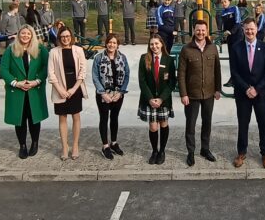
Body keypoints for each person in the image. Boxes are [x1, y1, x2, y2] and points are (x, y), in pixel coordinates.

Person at [229, 18, 265, 169]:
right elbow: (234, 72)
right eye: (247, 29)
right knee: (243, 124)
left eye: (252, 29)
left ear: (257, 30)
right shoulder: (236, 48)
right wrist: (246, 88)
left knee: (263, 124)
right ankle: (241, 153)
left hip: (261, 94)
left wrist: (256, 88)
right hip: (243, 94)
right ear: (243, 30)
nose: (249, 32)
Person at [0, 24, 49, 158]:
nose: (25, 36)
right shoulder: (11, 50)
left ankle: (34, 142)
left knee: (34, 118)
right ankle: (22, 145)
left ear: (32, 35)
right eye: (23, 33)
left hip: (34, 89)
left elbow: (47, 66)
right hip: (17, 91)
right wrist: (16, 83)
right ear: (18, 35)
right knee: (20, 119)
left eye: (28, 34)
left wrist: (37, 80)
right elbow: (3, 69)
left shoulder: (40, 49)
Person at [178, 20, 221, 166]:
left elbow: (217, 70)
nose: (200, 33)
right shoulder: (186, 49)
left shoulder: (212, 48)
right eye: (198, 30)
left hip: (209, 94)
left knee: (207, 123)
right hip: (192, 95)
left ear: (207, 31)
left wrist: (217, 89)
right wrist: (183, 94)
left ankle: (205, 149)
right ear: (193, 30)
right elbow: (181, 74)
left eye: (203, 30)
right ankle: (191, 152)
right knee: (190, 124)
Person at [48, 27, 88, 160]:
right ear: (59, 38)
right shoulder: (53, 52)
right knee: (62, 117)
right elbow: (51, 73)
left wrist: (74, 88)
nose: (65, 39)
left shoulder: (78, 50)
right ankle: (64, 147)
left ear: (71, 37)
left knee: (76, 116)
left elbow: (83, 71)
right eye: (63, 36)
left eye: (68, 36)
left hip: (75, 87)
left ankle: (75, 145)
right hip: (60, 88)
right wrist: (60, 90)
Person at [138, 35, 176, 165]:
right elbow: (142, 81)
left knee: (163, 124)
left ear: (161, 44)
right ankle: (154, 151)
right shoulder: (144, 59)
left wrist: (161, 98)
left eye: (156, 44)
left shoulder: (169, 60)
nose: (154, 46)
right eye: (151, 44)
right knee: (153, 127)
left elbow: (172, 82)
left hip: (163, 100)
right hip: (149, 99)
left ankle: (162, 151)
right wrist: (150, 98)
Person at [92, 33, 130, 160]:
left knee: (114, 117)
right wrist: (102, 93)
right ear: (106, 43)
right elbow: (95, 76)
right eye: (109, 42)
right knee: (104, 118)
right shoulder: (98, 57)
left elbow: (127, 75)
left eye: (114, 42)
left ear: (117, 44)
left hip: (118, 94)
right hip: (103, 94)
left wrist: (121, 92)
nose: (111, 45)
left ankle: (114, 143)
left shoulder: (122, 58)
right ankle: (105, 146)